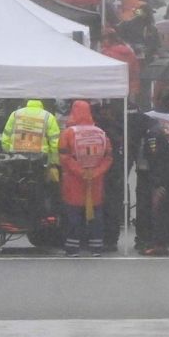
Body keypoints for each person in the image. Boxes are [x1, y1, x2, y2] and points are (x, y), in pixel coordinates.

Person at [58, 100, 113, 257]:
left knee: (73, 215)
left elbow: (64, 157)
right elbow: (108, 157)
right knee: (96, 214)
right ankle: (96, 247)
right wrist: (95, 172)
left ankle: (72, 248)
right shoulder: (101, 133)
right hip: (95, 181)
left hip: (73, 182)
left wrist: (80, 171)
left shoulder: (68, 133)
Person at [136, 89, 169, 256]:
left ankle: (142, 238)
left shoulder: (145, 116)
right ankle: (167, 238)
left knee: (144, 205)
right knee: (165, 206)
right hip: (166, 170)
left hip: (144, 167)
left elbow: (136, 139)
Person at [93, 101, 126, 252]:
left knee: (109, 205)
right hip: (110, 168)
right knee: (106, 204)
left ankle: (109, 238)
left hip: (110, 169)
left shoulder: (110, 129)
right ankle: (106, 237)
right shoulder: (114, 127)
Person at [0, 99, 60, 167]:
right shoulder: (48, 116)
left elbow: (6, 134)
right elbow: (55, 141)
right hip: (39, 157)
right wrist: (54, 161)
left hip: (17, 156)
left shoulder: (15, 114)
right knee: (38, 177)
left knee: (17, 176)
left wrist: (8, 150)